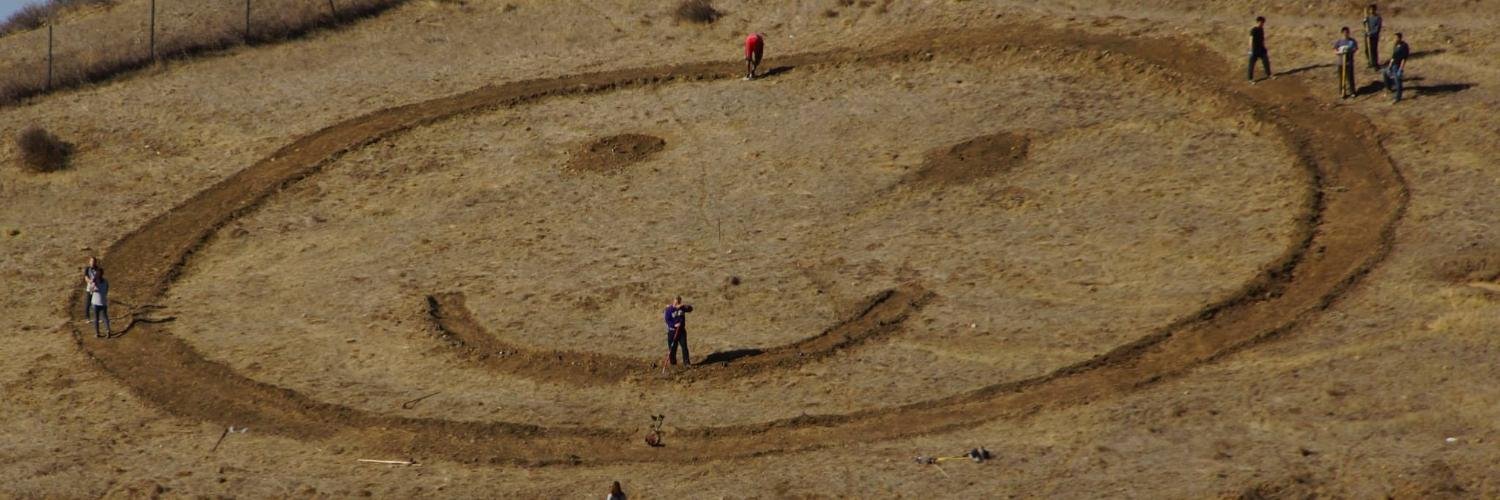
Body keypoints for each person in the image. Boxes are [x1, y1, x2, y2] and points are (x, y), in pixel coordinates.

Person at [663, 296, 692, 366]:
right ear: (673, 301)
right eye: (676, 302)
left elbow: (690, 309)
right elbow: (667, 320)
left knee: (684, 347)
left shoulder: (682, 308)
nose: (677, 304)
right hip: (672, 332)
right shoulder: (669, 309)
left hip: (681, 331)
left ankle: (687, 363)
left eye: (678, 302)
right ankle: (673, 363)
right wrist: (674, 325)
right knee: (672, 348)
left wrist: (685, 306)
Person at [1384, 32, 1410, 103]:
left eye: (1396, 38)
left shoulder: (1404, 46)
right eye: (1394, 38)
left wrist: (1401, 69)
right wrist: (1389, 66)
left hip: (1398, 66)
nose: (1394, 39)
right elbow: (1393, 57)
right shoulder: (1395, 45)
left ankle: (1397, 97)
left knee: (1397, 81)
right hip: (1393, 64)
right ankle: (1389, 88)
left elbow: (1404, 59)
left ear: (1399, 38)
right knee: (1385, 73)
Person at [1334, 27, 1359, 99]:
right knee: (1341, 78)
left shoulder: (1352, 41)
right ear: (1342, 33)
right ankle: (1342, 92)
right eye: (1344, 32)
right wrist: (1339, 52)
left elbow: (1355, 48)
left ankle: (1352, 92)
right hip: (1341, 63)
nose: (1346, 34)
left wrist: (1350, 50)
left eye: (1347, 32)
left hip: (1349, 63)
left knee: (1350, 78)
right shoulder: (1339, 41)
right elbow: (1335, 50)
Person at [1247, 16, 1271, 82]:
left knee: (1266, 62)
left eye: (1263, 23)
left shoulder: (1261, 29)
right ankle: (1250, 79)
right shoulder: (1253, 30)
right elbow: (1250, 40)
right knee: (1251, 64)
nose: (1262, 24)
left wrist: (1264, 47)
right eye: (1261, 22)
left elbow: (1262, 39)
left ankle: (1269, 75)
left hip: (1261, 49)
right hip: (1254, 50)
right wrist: (1250, 50)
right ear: (1258, 22)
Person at [89, 267, 111, 338]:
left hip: (95, 302)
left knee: (96, 318)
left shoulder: (95, 282)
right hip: (103, 302)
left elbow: (90, 291)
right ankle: (108, 331)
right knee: (105, 317)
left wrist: (92, 283)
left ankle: (97, 333)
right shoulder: (105, 281)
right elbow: (106, 290)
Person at [1363, 4, 1383, 69]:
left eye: (1373, 9)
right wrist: (1364, 21)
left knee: (1373, 50)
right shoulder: (1368, 18)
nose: (1371, 11)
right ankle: (1369, 62)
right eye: (1370, 9)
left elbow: (1377, 28)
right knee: (1367, 50)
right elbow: (1365, 26)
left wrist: (1371, 33)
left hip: (1374, 36)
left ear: (1375, 10)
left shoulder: (1378, 18)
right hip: (1367, 36)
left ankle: (1375, 64)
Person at [82, 257, 101, 322]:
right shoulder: (87, 269)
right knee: (88, 303)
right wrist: (90, 281)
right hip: (90, 288)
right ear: (89, 262)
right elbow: (86, 277)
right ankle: (87, 318)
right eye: (91, 261)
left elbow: (99, 277)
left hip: (96, 288)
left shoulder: (98, 269)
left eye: (94, 261)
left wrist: (95, 282)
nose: (92, 262)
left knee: (97, 303)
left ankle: (98, 317)